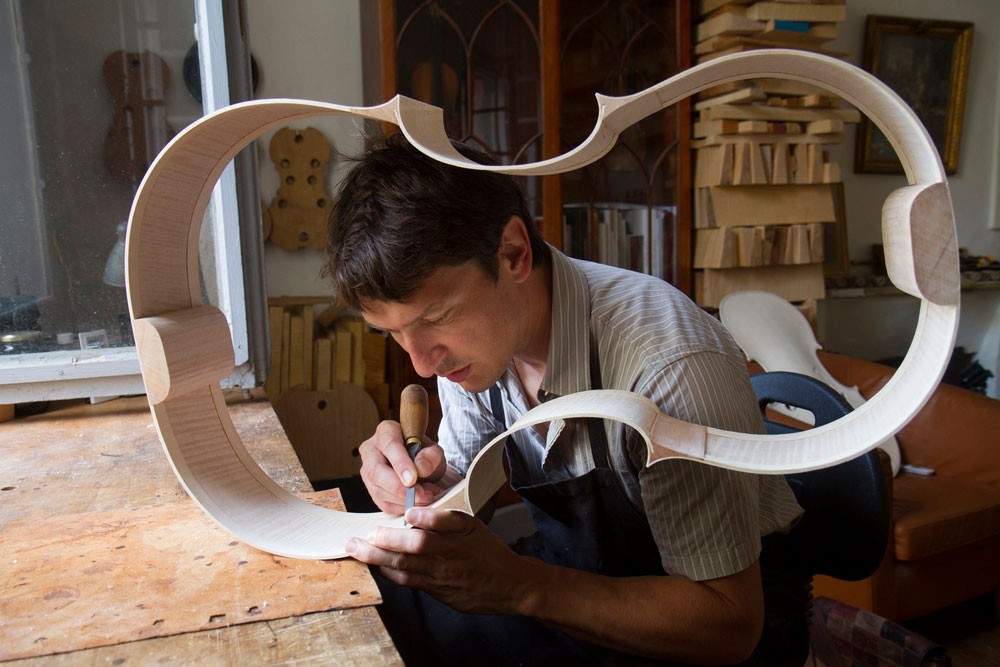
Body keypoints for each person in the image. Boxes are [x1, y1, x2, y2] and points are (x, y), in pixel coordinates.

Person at [324, 132, 807, 666]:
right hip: (573, 583)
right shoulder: (471, 348)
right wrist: (429, 489)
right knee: (383, 606)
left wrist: (520, 587)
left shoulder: (667, 367)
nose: (420, 362)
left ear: (513, 253)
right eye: (394, 332)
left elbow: (730, 624)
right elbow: (469, 493)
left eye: (436, 318)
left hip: (704, 627)